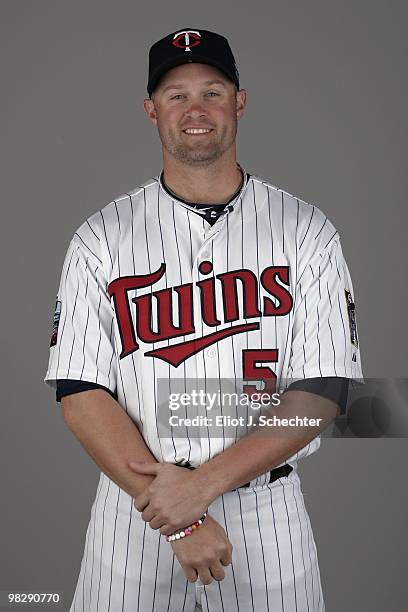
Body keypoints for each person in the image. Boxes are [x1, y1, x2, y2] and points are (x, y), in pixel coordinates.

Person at [44, 27, 363, 612]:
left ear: (239, 102)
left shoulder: (307, 230)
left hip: (265, 518)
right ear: (151, 110)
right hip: (137, 518)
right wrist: (182, 521)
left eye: (212, 91)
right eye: (176, 95)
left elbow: (323, 391)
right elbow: (80, 392)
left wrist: (202, 488)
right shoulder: (100, 238)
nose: (196, 109)